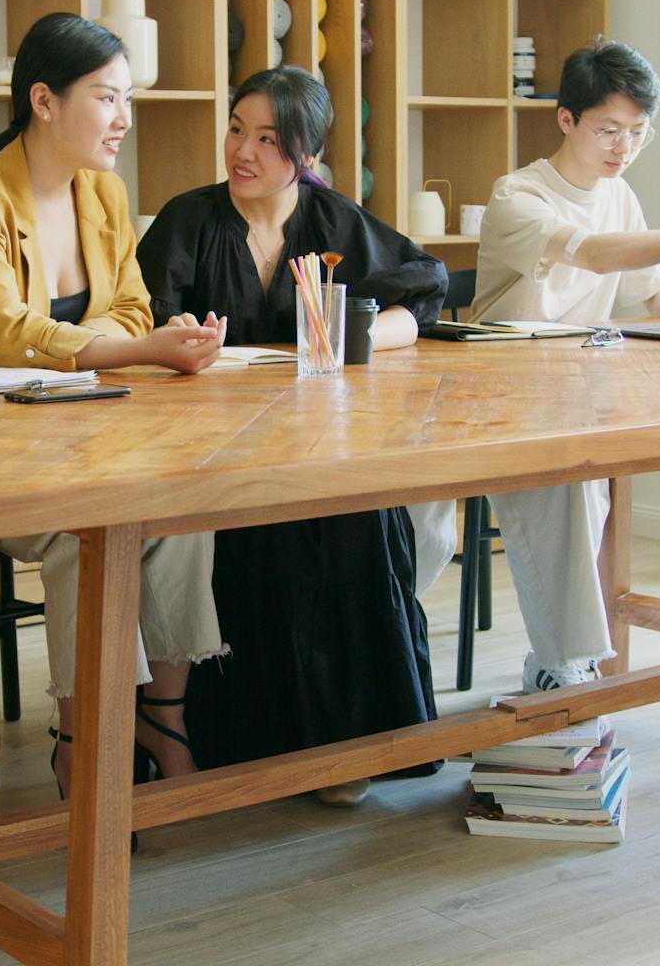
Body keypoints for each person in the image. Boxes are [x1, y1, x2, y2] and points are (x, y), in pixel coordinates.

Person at [0, 11, 228, 798]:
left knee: (185, 507)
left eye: (129, 99)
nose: (124, 119)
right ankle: (82, 737)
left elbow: (130, 306)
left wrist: (115, 340)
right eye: (107, 98)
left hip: (90, 432)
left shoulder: (104, 194)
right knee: (91, 526)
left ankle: (163, 718)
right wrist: (136, 347)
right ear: (44, 101)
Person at [136, 65, 449, 806]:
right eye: (237, 128)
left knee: (362, 516)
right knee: (258, 530)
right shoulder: (190, 220)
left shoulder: (333, 222)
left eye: (269, 139)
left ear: (305, 153)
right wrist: (174, 336)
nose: (243, 151)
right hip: (210, 448)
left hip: (316, 439)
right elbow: (137, 319)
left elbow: (427, 286)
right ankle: (256, 748)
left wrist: (367, 341)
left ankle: (348, 742)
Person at [474, 38, 660, 693]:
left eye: (639, 134)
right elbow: (598, 257)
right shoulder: (518, 195)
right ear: (566, 119)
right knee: (568, 477)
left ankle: (563, 663)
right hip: (498, 390)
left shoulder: (621, 194)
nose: (623, 149)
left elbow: (657, 295)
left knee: (584, 472)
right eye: (609, 130)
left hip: (579, 388)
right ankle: (566, 664)